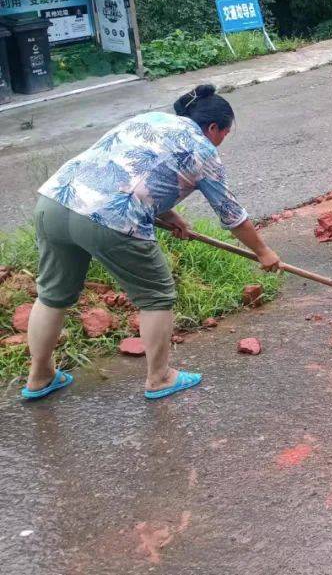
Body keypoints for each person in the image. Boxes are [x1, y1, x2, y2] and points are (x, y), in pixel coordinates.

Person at [23, 84, 280, 401]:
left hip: (54, 203)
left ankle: (40, 376)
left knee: (52, 295)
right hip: (111, 219)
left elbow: (130, 171)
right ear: (213, 127)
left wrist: (170, 215)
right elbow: (231, 214)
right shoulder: (203, 151)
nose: (222, 139)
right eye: (225, 133)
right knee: (156, 295)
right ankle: (160, 377)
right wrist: (263, 252)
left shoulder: (150, 119)